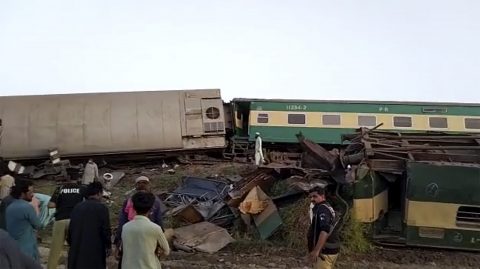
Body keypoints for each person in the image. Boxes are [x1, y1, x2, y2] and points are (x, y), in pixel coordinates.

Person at [114, 176, 165, 268]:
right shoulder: (155, 201)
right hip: (149, 240)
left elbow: (122, 223)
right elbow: (159, 223)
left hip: (130, 237)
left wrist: (118, 244)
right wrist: (159, 244)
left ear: (136, 186)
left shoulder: (129, 201)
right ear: (149, 185)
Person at [67, 182, 111, 269]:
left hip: (77, 249)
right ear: (99, 193)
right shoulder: (102, 208)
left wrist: (72, 243)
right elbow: (105, 230)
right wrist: (108, 246)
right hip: (95, 250)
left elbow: (71, 229)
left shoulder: (77, 207)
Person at [121, 192, 170, 269]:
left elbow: (123, 248)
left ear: (133, 207)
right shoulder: (155, 228)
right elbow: (166, 251)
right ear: (151, 209)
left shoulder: (125, 227)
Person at [47, 179, 84, 269]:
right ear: (78, 178)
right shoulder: (82, 189)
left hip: (60, 220)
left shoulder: (60, 188)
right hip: (75, 221)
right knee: (75, 249)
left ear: (67, 178)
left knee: (55, 250)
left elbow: (50, 205)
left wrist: (61, 203)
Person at [5, 179, 41, 261]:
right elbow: (38, 224)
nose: (32, 194)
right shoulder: (26, 207)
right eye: (30, 192)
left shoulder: (10, 206)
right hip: (27, 247)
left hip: (13, 246)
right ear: (22, 193)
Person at [307, 187, 340, 269]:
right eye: (311, 197)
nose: (312, 199)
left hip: (325, 251)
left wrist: (316, 250)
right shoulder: (324, 207)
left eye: (315, 196)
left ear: (322, 196)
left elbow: (324, 230)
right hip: (328, 249)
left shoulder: (322, 209)